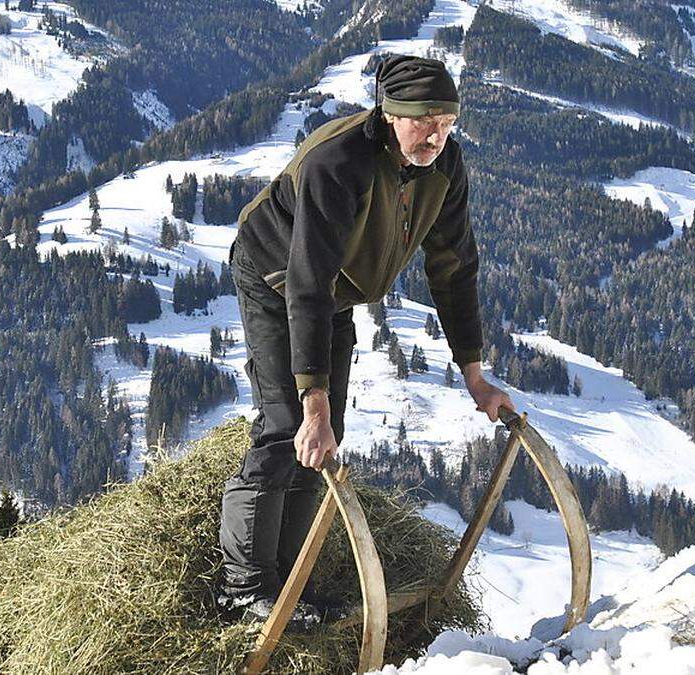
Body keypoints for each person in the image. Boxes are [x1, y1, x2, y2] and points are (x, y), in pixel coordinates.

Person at [217, 55, 514, 627]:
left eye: (447, 122)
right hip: (278, 275)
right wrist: (313, 399)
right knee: (288, 426)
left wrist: (474, 375)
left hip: (335, 291)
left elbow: (454, 268)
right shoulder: (339, 160)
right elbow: (306, 283)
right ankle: (244, 591)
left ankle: (288, 581)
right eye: (424, 120)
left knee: (326, 442)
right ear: (391, 113)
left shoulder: (445, 164)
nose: (437, 134)